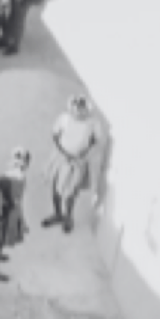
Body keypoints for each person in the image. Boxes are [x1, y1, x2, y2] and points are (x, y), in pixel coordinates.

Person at [45, 95, 97, 233]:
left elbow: (94, 141)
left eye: (82, 108)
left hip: (77, 162)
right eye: (77, 108)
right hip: (60, 158)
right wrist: (62, 152)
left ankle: (68, 218)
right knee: (55, 188)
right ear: (72, 108)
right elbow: (55, 135)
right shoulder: (64, 118)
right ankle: (57, 214)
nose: (79, 111)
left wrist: (82, 155)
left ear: (87, 110)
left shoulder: (92, 124)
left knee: (70, 193)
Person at [0, 148, 30, 282]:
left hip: (9, 212)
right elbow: (10, 199)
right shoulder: (12, 179)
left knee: (0, 239)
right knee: (0, 240)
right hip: (5, 214)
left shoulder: (9, 176)